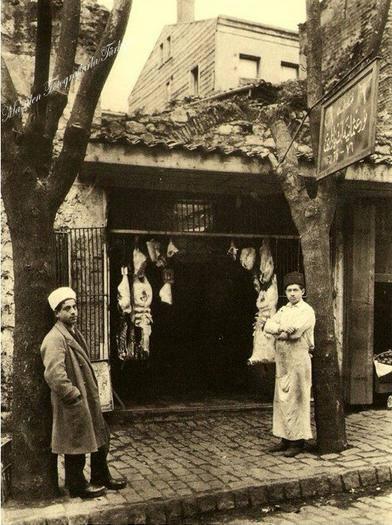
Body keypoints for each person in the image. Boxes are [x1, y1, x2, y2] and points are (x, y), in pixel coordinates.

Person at [41, 287, 127, 498]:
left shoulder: (73, 333)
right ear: (57, 313)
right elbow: (54, 374)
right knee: (76, 444)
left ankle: (100, 476)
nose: (73, 311)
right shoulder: (54, 339)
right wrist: (73, 395)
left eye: (75, 306)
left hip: (86, 397)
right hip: (73, 402)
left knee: (101, 435)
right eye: (67, 308)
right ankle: (77, 485)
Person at [264, 272, 315, 457]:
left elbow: (294, 334)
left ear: (303, 291)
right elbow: (267, 326)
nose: (292, 293)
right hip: (283, 361)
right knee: (282, 399)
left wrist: (282, 331)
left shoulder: (307, 311)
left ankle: (298, 442)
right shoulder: (284, 310)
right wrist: (281, 329)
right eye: (289, 290)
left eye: (296, 290)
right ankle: (284, 439)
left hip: (299, 361)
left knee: (297, 400)